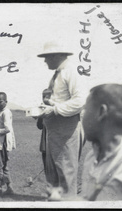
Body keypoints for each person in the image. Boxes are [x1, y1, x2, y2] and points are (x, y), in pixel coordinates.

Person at [37, 41, 85, 196]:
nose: (45, 61)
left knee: (65, 176)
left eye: (47, 57)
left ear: (56, 55)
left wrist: (55, 109)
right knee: (54, 176)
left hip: (66, 131)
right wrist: (49, 105)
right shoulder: (57, 75)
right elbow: (61, 101)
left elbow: (80, 101)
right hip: (55, 132)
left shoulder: (70, 72)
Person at [36, 89, 54, 170]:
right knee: (46, 166)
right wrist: (40, 115)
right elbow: (39, 126)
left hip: (54, 142)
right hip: (45, 143)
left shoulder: (55, 109)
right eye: (43, 97)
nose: (44, 99)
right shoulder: (42, 109)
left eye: (47, 97)